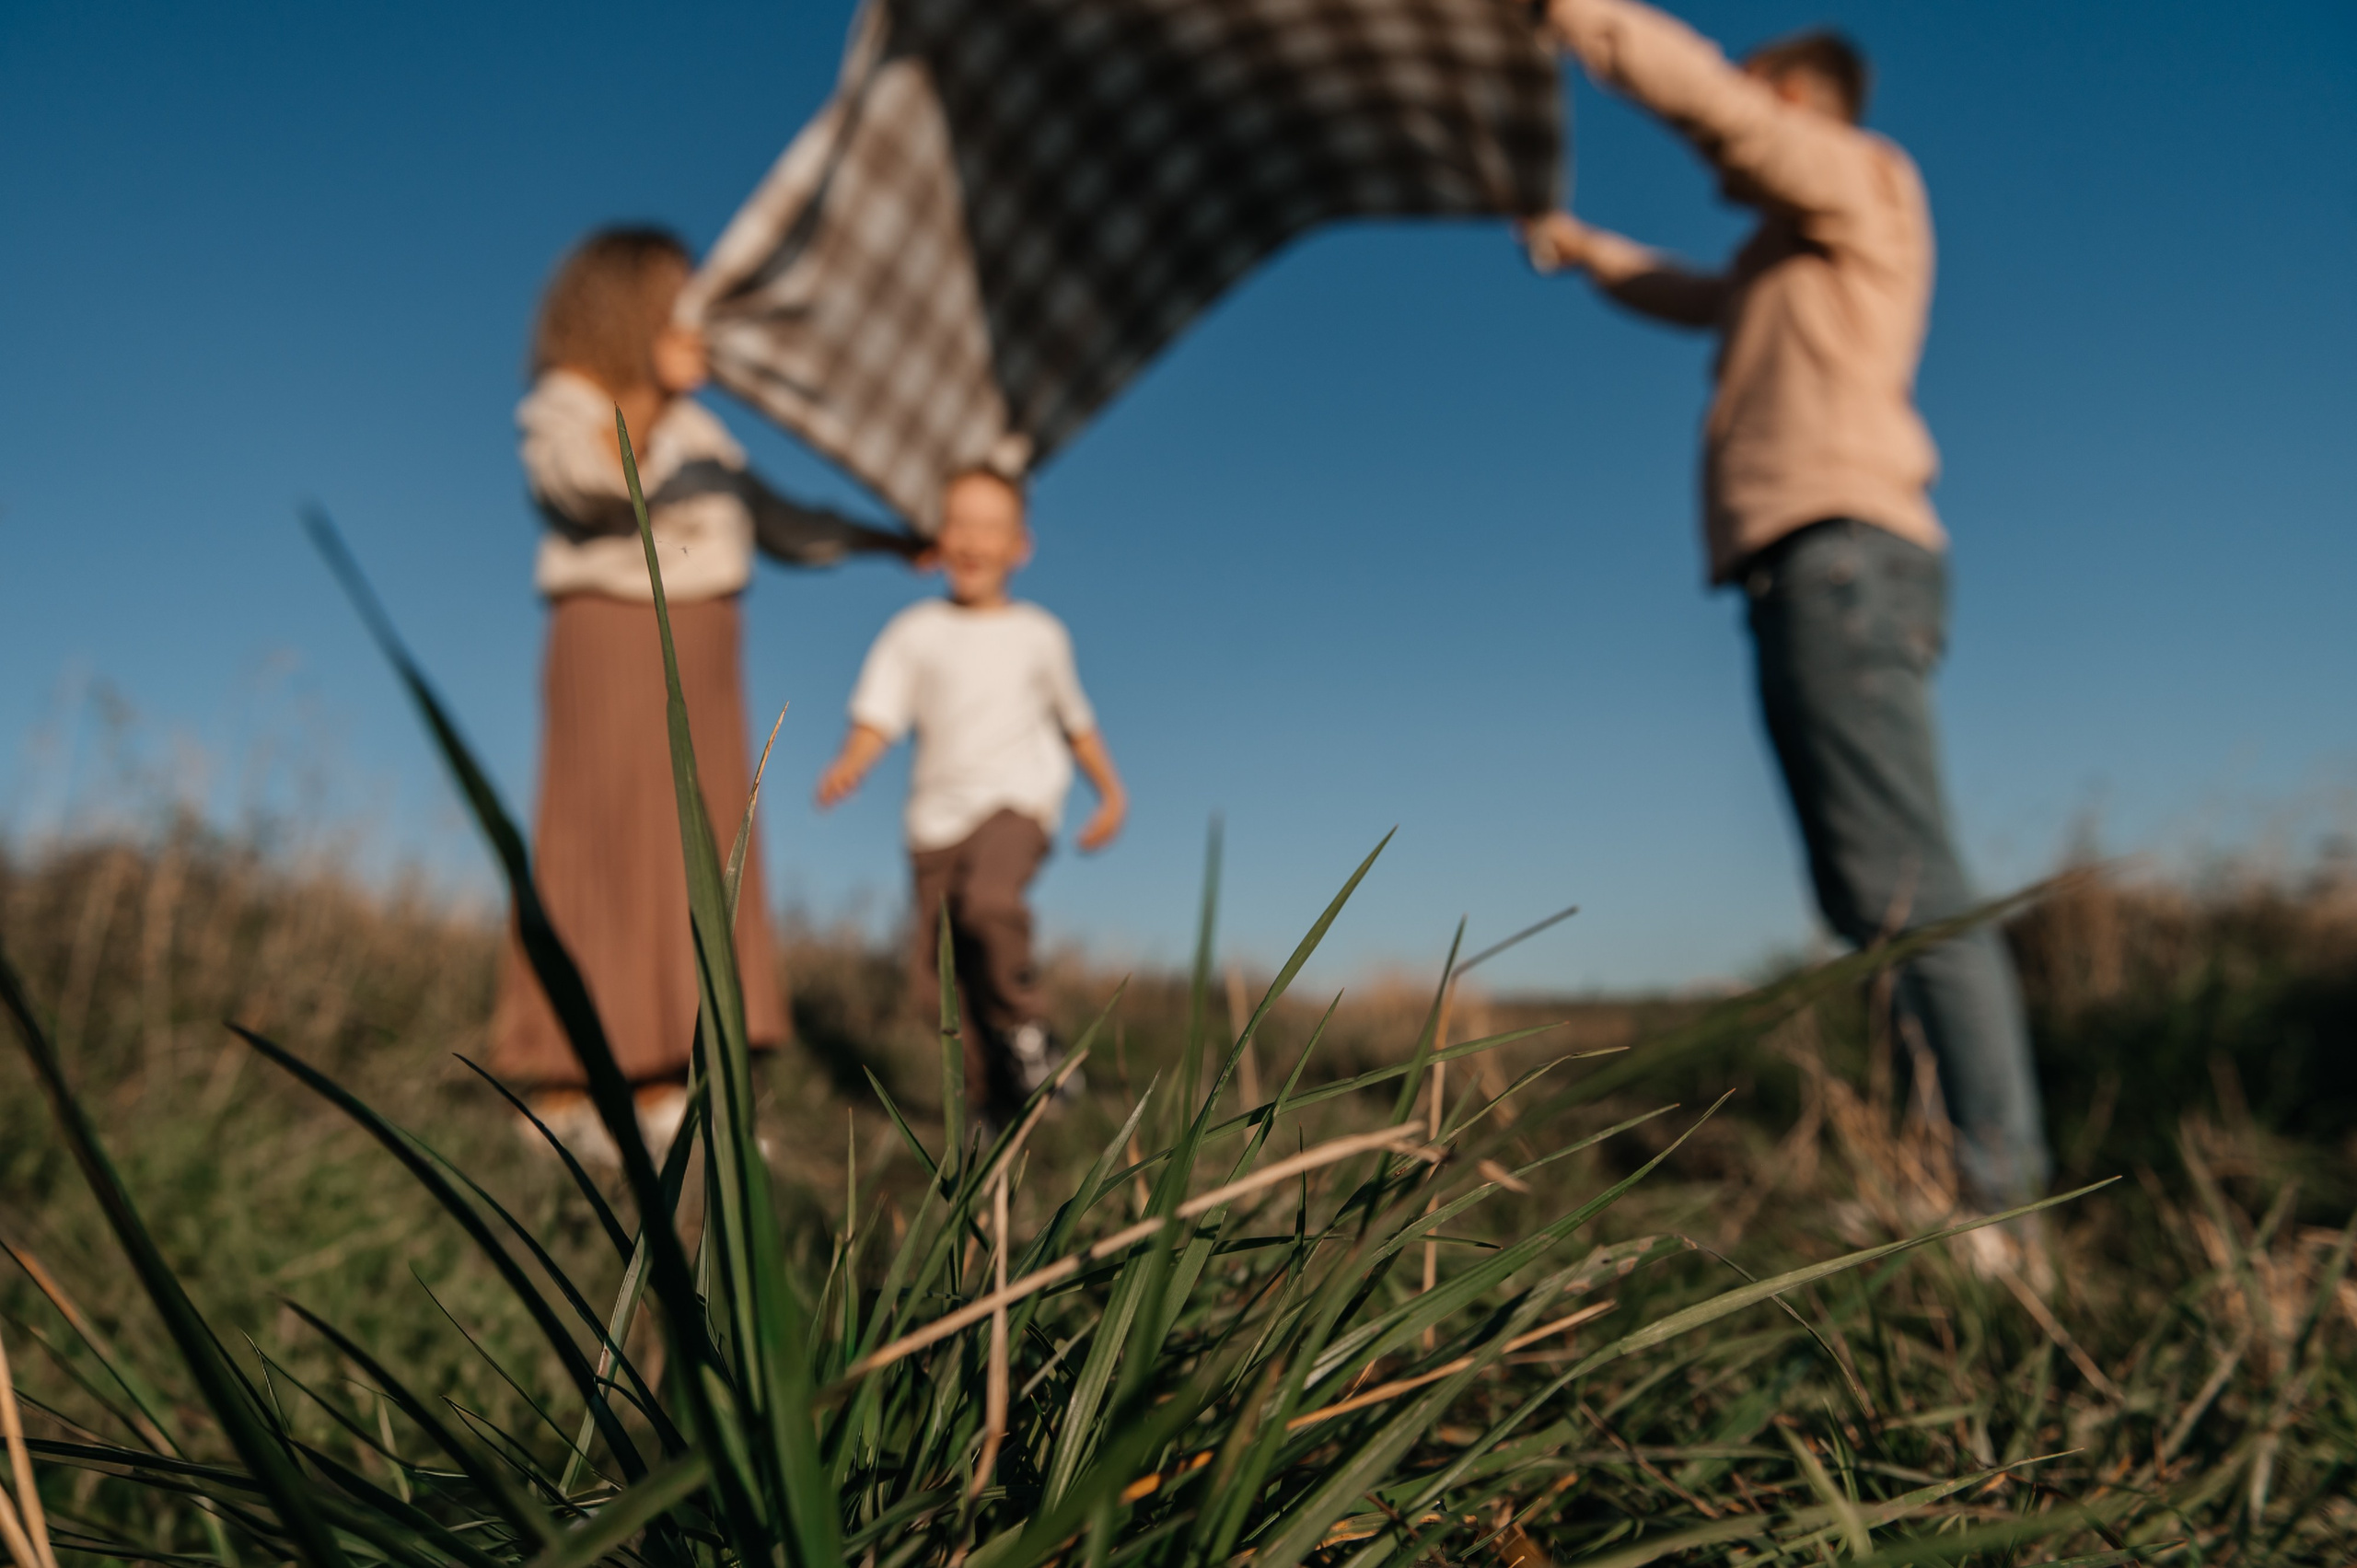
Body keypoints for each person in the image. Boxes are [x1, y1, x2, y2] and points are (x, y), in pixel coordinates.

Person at [1524, 2, 2052, 1218]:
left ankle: (1996, 1197)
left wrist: (1577, 17)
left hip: (1845, 562)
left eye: (1764, 100)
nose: (1731, 141)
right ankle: (1940, 1165)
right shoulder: (1780, 261)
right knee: (1865, 890)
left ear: (1801, 101)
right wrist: (1580, 245)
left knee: (1909, 884)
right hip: (1795, 571)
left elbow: (1719, 108)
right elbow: (1687, 294)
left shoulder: (1863, 183)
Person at [493, 226, 912, 1161]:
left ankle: (667, 1077)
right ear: (625, 304)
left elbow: (781, 519)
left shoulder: (699, 429)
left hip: (706, 644)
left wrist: (888, 541)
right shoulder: (572, 400)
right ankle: (568, 1087)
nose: (694, 316)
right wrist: (651, 389)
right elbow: (589, 485)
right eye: (675, 297)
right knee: (604, 834)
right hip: (616, 629)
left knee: (696, 845)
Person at [816, 470, 1126, 1125]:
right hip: (933, 822)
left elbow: (1077, 722)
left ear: (1020, 546)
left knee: (989, 905)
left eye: (990, 526)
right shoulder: (915, 630)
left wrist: (1111, 793)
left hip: (1017, 802)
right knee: (938, 982)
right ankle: (990, 1105)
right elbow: (880, 711)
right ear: (938, 537)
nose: (972, 539)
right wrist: (853, 760)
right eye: (958, 523)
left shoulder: (1039, 635)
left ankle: (1029, 1029)